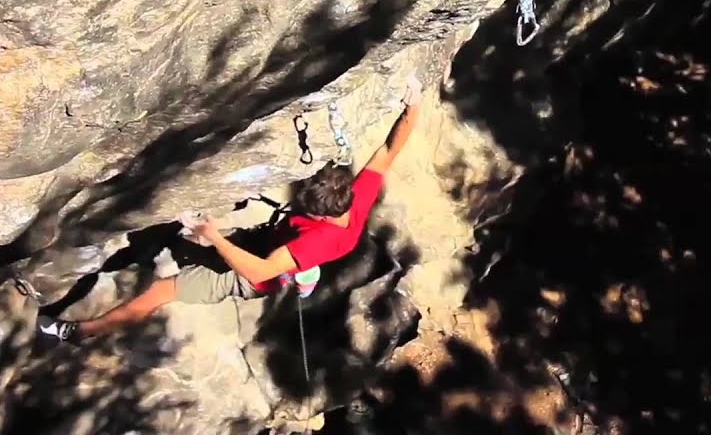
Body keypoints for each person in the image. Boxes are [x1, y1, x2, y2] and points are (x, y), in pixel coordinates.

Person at [38, 78, 423, 342]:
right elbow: (389, 150)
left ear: (321, 214)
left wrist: (214, 236)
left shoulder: (315, 242)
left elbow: (259, 270)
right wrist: (413, 104)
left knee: (161, 291)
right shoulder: (356, 194)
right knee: (177, 247)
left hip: (252, 275)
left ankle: (78, 334)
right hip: (267, 244)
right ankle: (170, 255)